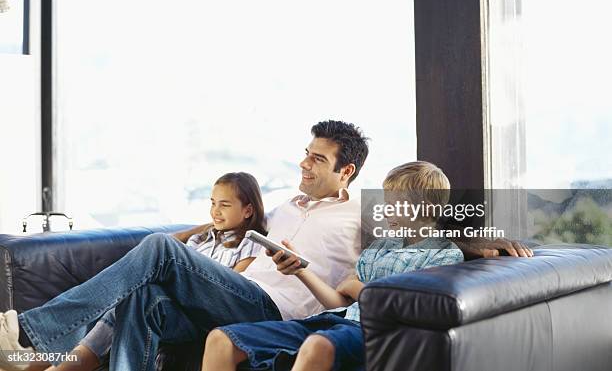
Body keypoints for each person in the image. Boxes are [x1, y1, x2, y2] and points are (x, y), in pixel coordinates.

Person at [0, 120, 370, 371]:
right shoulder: (288, 206)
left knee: (159, 246)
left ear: (346, 171)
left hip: (275, 311)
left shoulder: (363, 215)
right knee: (142, 298)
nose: (303, 163)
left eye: (317, 158)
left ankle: (30, 332)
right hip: (238, 294)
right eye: (306, 152)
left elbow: (399, 251)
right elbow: (240, 227)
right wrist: (208, 227)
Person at [200, 161, 464, 371]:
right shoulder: (380, 247)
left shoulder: (444, 256)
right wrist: (300, 270)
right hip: (335, 320)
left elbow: (412, 311)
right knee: (221, 340)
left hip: (374, 332)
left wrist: (359, 288)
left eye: (395, 203)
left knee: (318, 346)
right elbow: (338, 301)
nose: (387, 210)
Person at [38, 171, 267, 371]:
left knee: (130, 292)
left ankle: (48, 357)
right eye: (212, 202)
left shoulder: (251, 244)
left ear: (248, 210)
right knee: (137, 295)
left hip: (206, 316)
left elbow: (226, 291)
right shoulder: (203, 239)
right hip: (174, 309)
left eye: (224, 205)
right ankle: (44, 359)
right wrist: (201, 229)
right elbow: (161, 249)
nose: (215, 211)